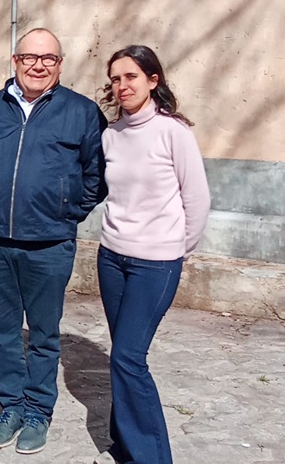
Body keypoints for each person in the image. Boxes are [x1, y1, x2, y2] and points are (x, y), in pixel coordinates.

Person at [0, 28, 107, 454]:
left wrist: (66, 212)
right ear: (15, 61)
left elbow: (97, 175)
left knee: (45, 334)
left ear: (60, 65)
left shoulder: (81, 111)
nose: (38, 65)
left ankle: (38, 413)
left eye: (49, 58)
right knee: (2, 331)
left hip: (49, 244)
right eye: (30, 57)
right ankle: (11, 407)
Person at [93, 45, 210, 464]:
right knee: (121, 355)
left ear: (152, 80)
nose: (122, 86)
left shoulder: (173, 132)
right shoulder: (111, 135)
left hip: (156, 264)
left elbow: (197, 199)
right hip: (111, 258)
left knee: (128, 357)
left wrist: (177, 249)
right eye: (116, 79)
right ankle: (124, 444)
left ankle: (151, 457)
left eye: (131, 77)